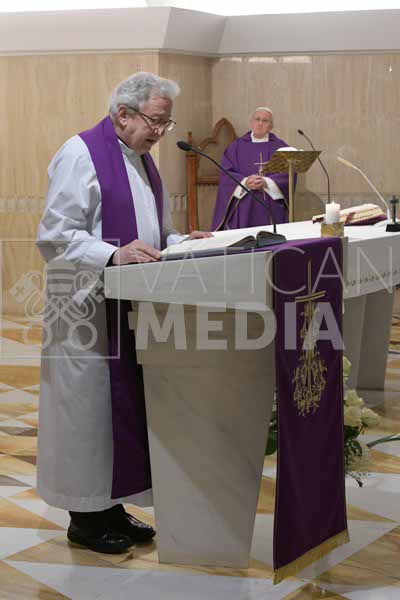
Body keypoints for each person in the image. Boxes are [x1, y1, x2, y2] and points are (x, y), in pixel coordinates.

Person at [36, 72, 211, 555]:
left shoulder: (142, 161)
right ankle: (84, 517)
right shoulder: (81, 154)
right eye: (156, 121)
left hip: (129, 305)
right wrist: (113, 255)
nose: (161, 132)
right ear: (123, 114)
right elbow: (56, 234)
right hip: (85, 309)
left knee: (120, 412)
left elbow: (154, 233)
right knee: (88, 415)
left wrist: (182, 241)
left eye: (165, 123)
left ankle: (110, 507)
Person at [212, 107, 294, 230]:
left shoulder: (280, 147)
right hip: (244, 206)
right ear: (251, 123)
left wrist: (267, 182)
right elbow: (225, 174)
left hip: (271, 207)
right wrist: (245, 182)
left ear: (271, 126)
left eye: (265, 121)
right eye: (257, 119)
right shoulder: (236, 147)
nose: (260, 123)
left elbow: (289, 174)